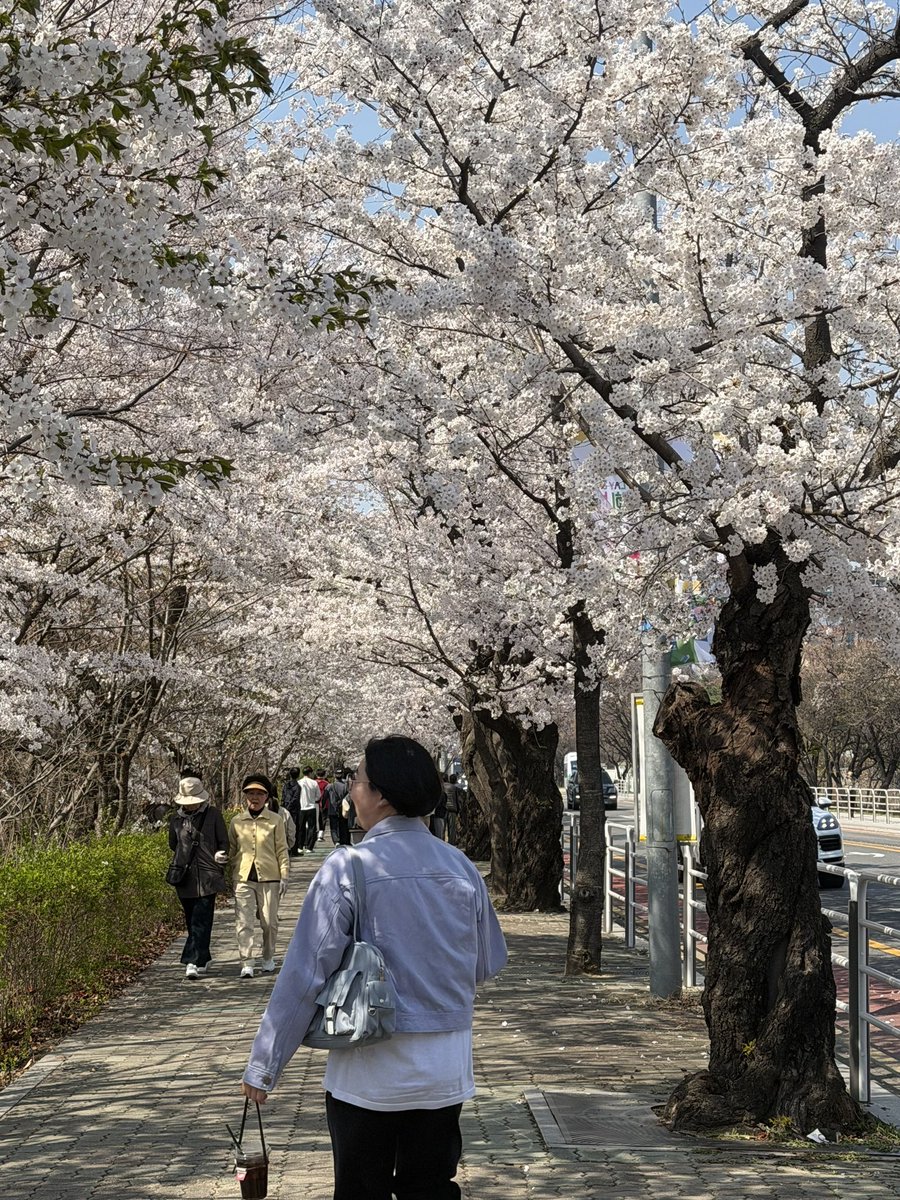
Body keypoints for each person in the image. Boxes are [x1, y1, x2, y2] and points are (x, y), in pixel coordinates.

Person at [240, 735, 508, 1200]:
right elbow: (486, 963)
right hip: (445, 1069)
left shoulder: (350, 867)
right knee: (431, 1188)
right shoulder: (461, 867)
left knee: (362, 1190)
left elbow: (305, 976)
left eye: (356, 780)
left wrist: (265, 1066)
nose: (350, 791)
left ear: (381, 794)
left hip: (370, 1070)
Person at [229, 774, 289, 979]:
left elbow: (282, 849)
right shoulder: (237, 822)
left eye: (259, 794)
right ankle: (247, 961)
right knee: (244, 922)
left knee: (268, 922)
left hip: (270, 877)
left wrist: (285, 875)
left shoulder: (275, 820)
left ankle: (268, 956)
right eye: (250, 793)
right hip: (243, 878)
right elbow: (231, 849)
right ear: (245, 796)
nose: (254, 797)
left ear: (266, 797)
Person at [167, 776, 228, 980]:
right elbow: (173, 844)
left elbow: (223, 841)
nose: (191, 806)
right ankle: (203, 957)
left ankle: (191, 961)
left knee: (202, 919)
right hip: (184, 876)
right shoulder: (175, 820)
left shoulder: (213, 815)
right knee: (191, 919)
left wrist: (220, 854)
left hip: (208, 875)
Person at [323, 769, 351, 846]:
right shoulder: (346, 785)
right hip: (343, 808)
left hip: (332, 809)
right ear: (342, 775)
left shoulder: (329, 786)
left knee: (334, 827)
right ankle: (344, 840)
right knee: (343, 826)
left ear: (334, 775)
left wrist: (323, 807)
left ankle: (336, 841)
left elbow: (324, 797)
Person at [296, 765, 320, 854]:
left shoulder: (299, 782)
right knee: (311, 828)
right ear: (310, 773)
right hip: (312, 807)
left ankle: (300, 846)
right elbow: (318, 796)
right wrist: (313, 799)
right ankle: (309, 847)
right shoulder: (314, 783)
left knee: (301, 828)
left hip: (302, 807)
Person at [282, 767, 302, 856]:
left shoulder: (286, 785)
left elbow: (283, 796)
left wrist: (284, 807)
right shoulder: (297, 786)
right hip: (294, 811)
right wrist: (289, 808)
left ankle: (288, 849)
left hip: (285, 808)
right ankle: (294, 850)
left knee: (285, 829)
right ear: (298, 775)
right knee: (294, 829)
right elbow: (295, 799)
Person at [315, 768, 329, 840]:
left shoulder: (313, 782)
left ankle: (315, 833)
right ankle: (320, 835)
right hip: (324, 803)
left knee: (316, 818)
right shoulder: (326, 784)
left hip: (315, 803)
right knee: (323, 819)